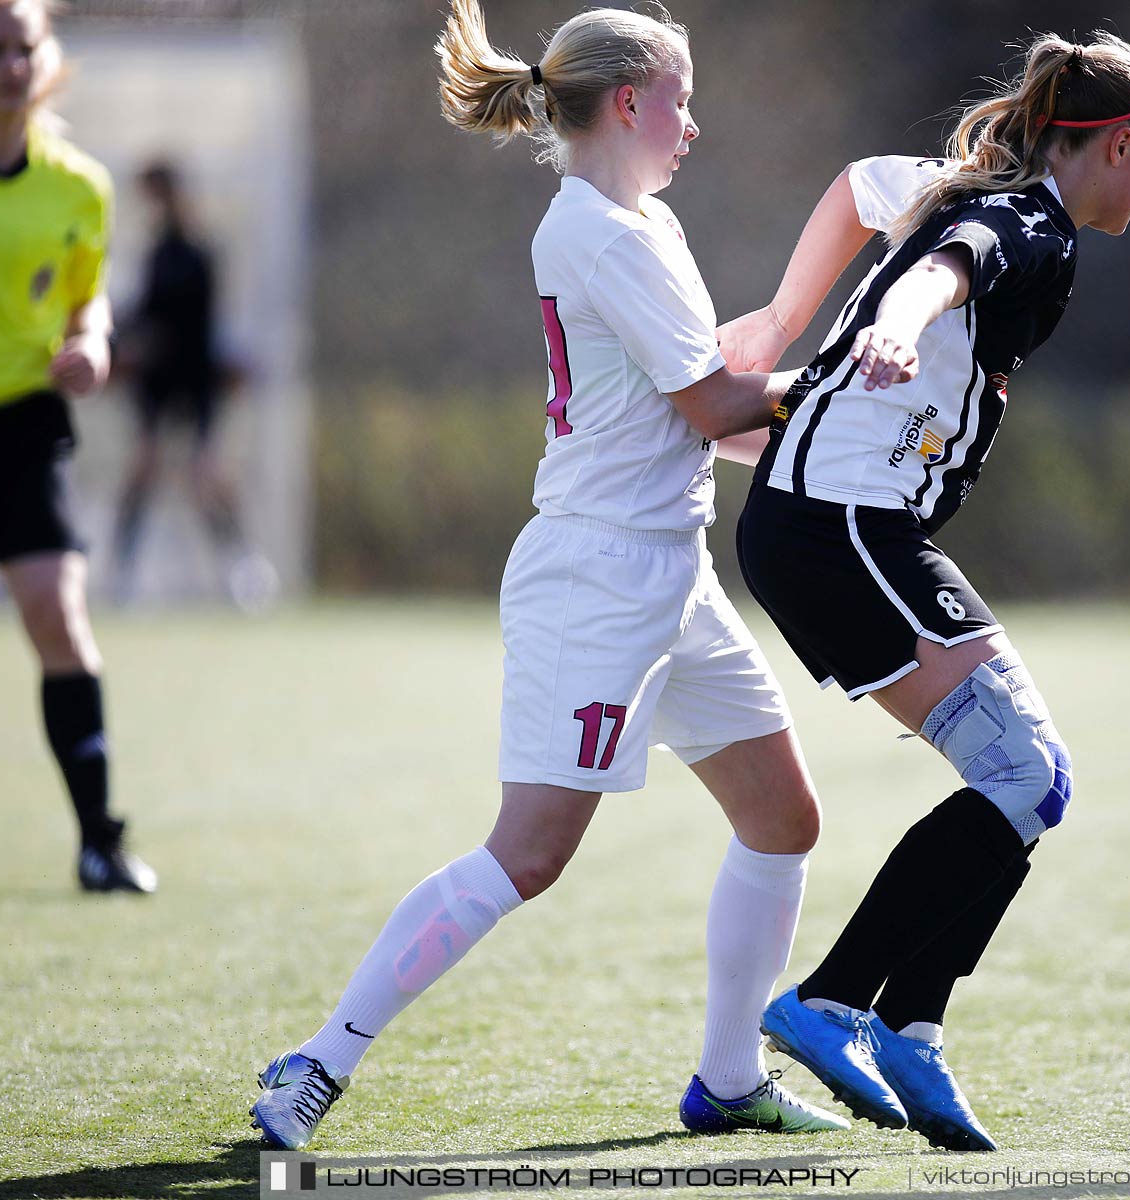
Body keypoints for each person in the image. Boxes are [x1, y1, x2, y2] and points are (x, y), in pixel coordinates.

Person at [250, 0, 843, 1150]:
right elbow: (723, 402)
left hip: (673, 575)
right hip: (598, 585)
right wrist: (850, 382)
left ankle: (726, 1079)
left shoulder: (644, 226)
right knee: (529, 853)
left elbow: (708, 423)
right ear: (629, 101)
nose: (692, 124)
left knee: (782, 819)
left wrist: (838, 423)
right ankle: (322, 1062)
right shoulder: (596, 232)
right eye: (681, 97)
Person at [719, 33, 1130, 1151]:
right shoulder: (1030, 223)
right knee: (1025, 771)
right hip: (842, 532)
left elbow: (860, 188)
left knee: (1032, 781)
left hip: (837, 525)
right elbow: (944, 267)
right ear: (1114, 142)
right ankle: (831, 1004)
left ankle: (913, 1030)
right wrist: (888, 325)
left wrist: (788, 325)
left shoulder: (973, 184)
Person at [0, 0, 155, 893]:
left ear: (45, 58)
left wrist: (95, 340)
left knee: (59, 620)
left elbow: (89, 298)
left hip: (18, 424)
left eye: (23, 47)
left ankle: (99, 843)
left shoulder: (78, 186)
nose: (10, 64)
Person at [111, 159, 275, 611]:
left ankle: (243, 567)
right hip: (157, 380)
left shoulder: (199, 252)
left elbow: (199, 320)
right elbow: (143, 312)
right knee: (143, 467)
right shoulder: (153, 252)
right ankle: (122, 571)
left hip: (194, 376)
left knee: (206, 473)